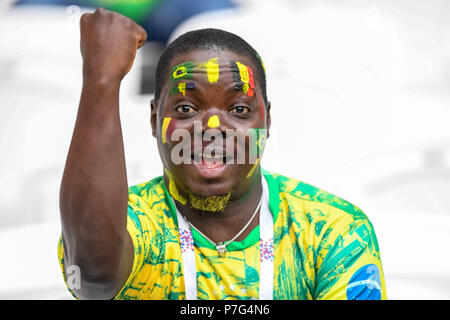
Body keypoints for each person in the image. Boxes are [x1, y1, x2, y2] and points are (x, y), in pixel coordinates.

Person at [58, 7, 387, 300]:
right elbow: (92, 278)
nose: (212, 126)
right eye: (186, 108)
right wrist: (102, 78)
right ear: (155, 120)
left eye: (239, 109)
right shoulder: (128, 223)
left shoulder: (332, 230)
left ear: (267, 120)